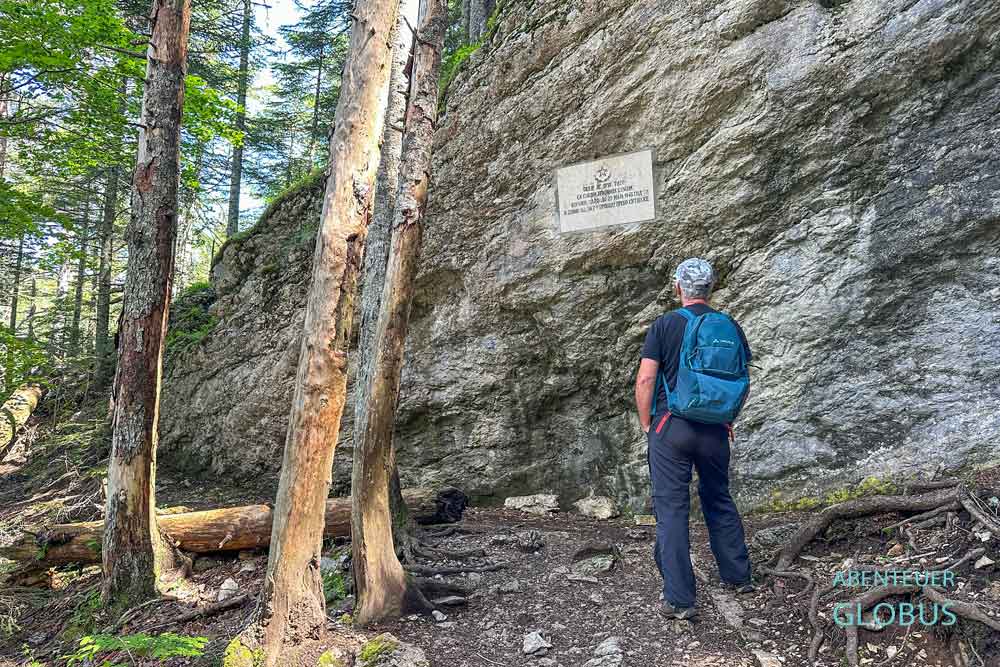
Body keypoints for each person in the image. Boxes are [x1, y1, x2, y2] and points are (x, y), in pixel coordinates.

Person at [634, 257, 753, 620]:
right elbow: (741, 379)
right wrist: (725, 417)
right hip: (715, 430)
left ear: (678, 288)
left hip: (672, 427)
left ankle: (680, 599)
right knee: (718, 497)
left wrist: (647, 424)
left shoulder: (664, 325)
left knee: (671, 508)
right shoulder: (728, 324)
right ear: (711, 289)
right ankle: (738, 576)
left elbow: (645, 381)